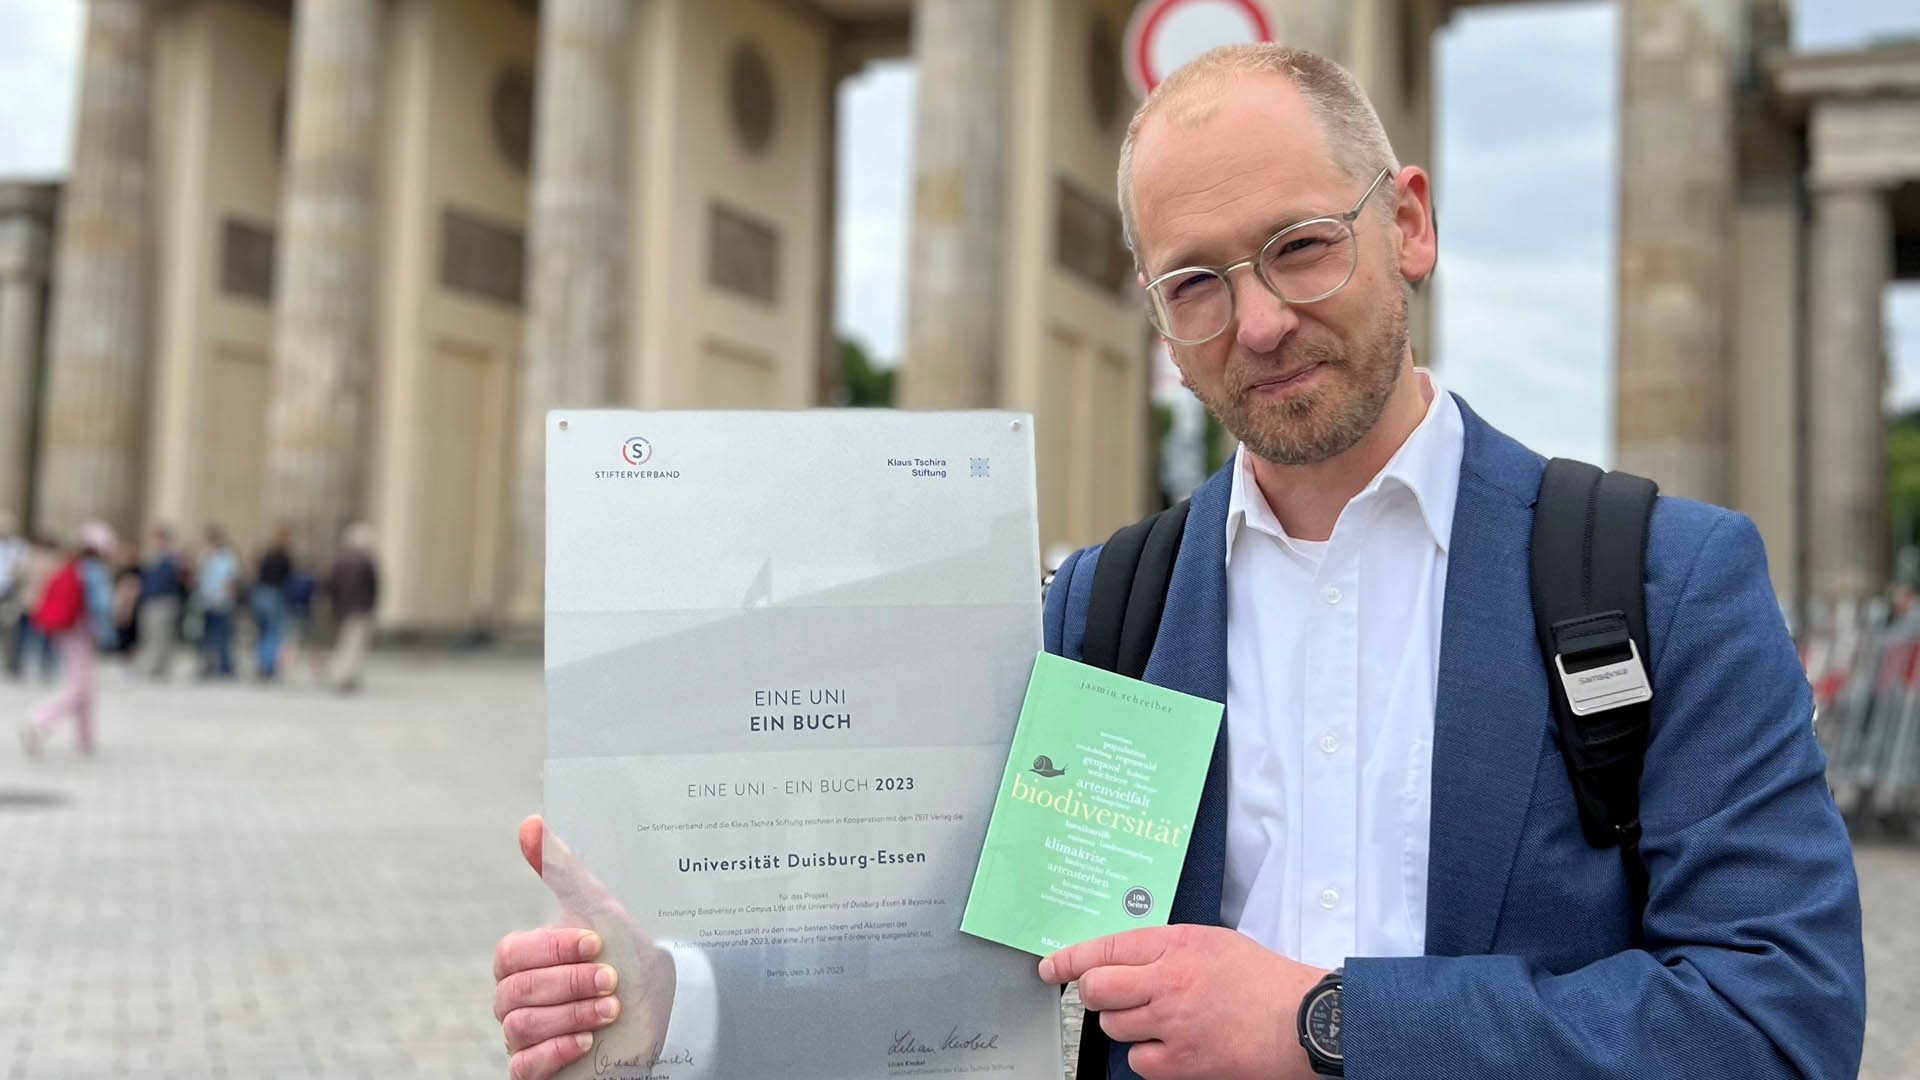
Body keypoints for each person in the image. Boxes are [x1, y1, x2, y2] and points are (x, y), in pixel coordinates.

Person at [486, 44, 1866, 1080]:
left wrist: (1330, 1024)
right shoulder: (1113, 607)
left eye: (1301, 249)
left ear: (1412, 225)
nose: (1257, 321)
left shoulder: (1660, 582)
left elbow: (1781, 1015)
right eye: (1196, 282)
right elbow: (987, 980)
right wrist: (675, 1000)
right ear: (1158, 322)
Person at [19, 522, 115, 758]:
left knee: (84, 685)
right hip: (82, 632)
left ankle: (85, 739)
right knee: (79, 687)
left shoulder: (72, 565)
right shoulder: (94, 571)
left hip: (66, 631)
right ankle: (39, 721)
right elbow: (101, 606)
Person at [326, 523, 379, 692]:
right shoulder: (367, 561)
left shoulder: (340, 560)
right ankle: (345, 675)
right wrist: (372, 606)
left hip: (343, 607)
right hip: (361, 607)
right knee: (354, 643)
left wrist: (334, 606)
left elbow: (333, 585)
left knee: (344, 641)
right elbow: (373, 587)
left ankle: (339, 673)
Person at [135, 525, 188, 679]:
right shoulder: (154, 558)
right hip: (151, 600)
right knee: (152, 634)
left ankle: (161, 667)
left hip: (165, 600)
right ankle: (155, 665)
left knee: (163, 635)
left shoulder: (172, 559)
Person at [6, 534, 59, 681]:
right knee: (46, 637)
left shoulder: (28, 557)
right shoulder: (55, 560)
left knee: (22, 635)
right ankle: (46, 666)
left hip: (27, 602)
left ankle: (16, 665)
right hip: (46, 603)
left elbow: (16, 575)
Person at [250, 525, 294, 680]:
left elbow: (257, 571)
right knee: (272, 631)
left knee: (262, 631)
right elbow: (289, 578)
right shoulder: (284, 557)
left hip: (260, 593)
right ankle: (268, 665)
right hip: (274, 594)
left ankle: (261, 662)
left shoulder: (266, 555)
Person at [195, 524, 239, 679]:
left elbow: (230, 579)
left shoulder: (226, 557)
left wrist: (225, 598)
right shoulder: (205, 558)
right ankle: (208, 665)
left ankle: (225, 667)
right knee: (206, 636)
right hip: (206, 601)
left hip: (221, 602)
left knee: (222, 635)